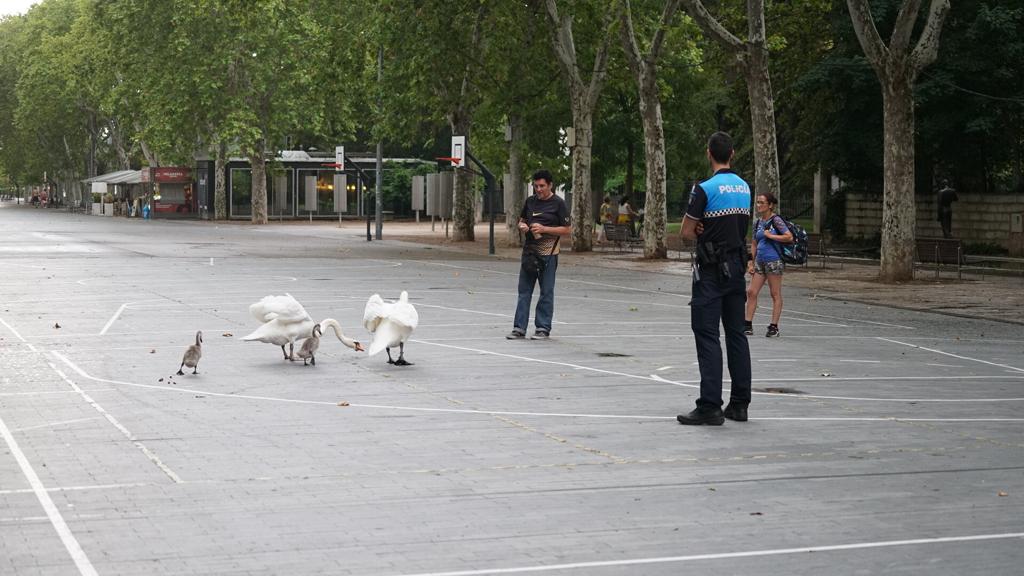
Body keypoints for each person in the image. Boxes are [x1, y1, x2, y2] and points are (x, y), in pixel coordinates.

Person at [677, 131, 752, 426]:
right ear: (732, 153)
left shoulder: (704, 189)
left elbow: (685, 231)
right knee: (736, 334)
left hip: (710, 270)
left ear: (709, 153)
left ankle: (710, 404)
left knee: (707, 334)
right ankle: (740, 403)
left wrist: (698, 228)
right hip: (737, 266)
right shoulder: (745, 188)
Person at [507, 170, 571, 341]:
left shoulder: (559, 203)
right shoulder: (530, 202)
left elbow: (567, 230)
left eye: (542, 186)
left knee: (546, 291)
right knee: (524, 291)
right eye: (536, 186)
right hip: (529, 252)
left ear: (550, 185)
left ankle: (543, 327)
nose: (539, 189)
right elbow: (521, 220)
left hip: (549, 254)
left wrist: (544, 229)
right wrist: (522, 226)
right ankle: (519, 328)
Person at [744, 192, 792, 338]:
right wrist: (751, 261)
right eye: (757, 202)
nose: (758, 205)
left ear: (770, 205)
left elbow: (788, 236)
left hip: (773, 261)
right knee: (751, 292)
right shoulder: (758, 223)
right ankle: (747, 324)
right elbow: (754, 243)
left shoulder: (776, 220)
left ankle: (774, 326)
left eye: (762, 202)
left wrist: (771, 236)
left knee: (775, 293)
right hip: (760, 261)